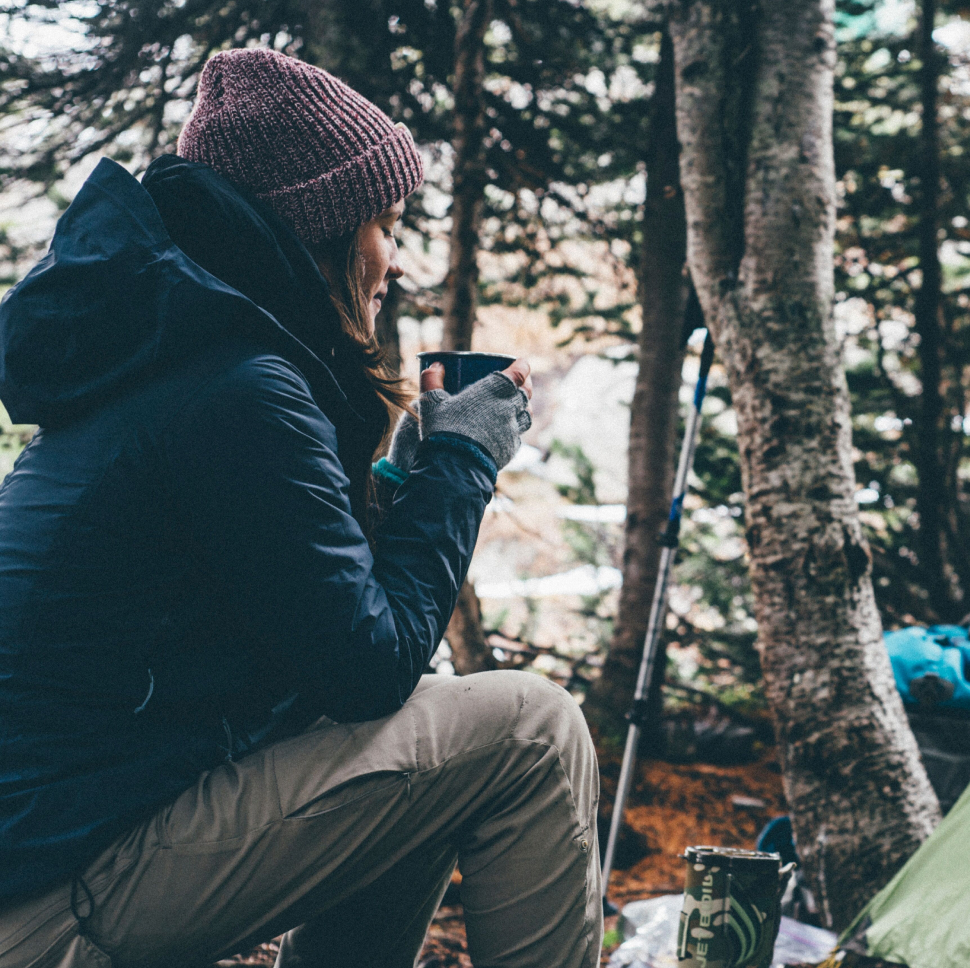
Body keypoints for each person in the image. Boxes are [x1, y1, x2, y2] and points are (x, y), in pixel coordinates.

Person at [0, 49, 601, 968]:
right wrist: (464, 462)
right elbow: (367, 671)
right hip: (56, 896)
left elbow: (320, 655)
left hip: (50, 851)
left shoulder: (168, 364)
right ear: (318, 231)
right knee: (532, 731)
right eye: (384, 227)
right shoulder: (241, 389)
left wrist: (400, 485)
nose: (391, 265)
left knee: (422, 751)